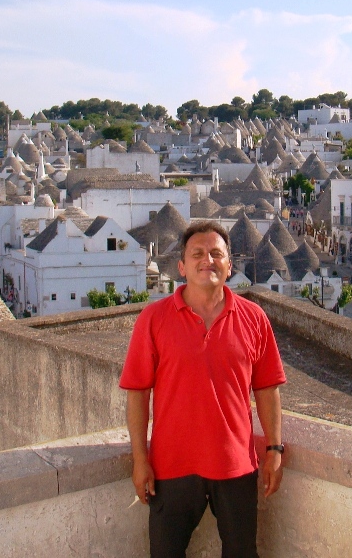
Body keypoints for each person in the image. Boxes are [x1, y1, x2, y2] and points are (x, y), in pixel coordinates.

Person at [120, 221, 286, 557]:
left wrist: (274, 449)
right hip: (171, 466)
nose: (207, 260)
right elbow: (137, 393)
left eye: (215, 254)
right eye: (197, 254)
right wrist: (140, 459)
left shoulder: (254, 318)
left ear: (230, 265)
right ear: (182, 267)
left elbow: (267, 388)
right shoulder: (153, 319)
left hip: (235, 465)